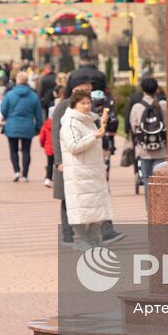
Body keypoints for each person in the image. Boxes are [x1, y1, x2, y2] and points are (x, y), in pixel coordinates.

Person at [59, 89, 119, 250]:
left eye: (88, 103)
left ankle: (94, 237)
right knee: (81, 208)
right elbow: (74, 145)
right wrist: (94, 136)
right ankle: (80, 239)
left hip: (93, 171)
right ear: (74, 105)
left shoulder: (89, 120)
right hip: (80, 172)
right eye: (82, 103)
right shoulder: (70, 122)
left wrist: (99, 127)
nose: (86, 106)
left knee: (96, 206)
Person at [127, 76, 168, 205]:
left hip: (144, 149)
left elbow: (134, 128)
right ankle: (160, 207)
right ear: (157, 89)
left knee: (146, 180)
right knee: (160, 180)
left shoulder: (136, 107)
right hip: (161, 149)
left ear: (142, 89)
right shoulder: (163, 105)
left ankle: (149, 208)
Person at [0, 70, 44, 182]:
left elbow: (3, 110)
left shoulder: (9, 94)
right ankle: (25, 175)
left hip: (12, 126)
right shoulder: (33, 96)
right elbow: (38, 114)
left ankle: (16, 171)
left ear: (17, 81)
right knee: (26, 151)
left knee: (13, 150)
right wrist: (39, 127)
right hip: (28, 126)